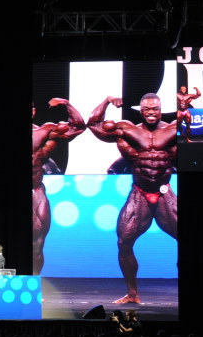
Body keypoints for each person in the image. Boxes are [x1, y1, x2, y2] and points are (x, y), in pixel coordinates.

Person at [88, 93, 177, 304]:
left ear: (160, 109)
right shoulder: (128, 130)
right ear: (141, 111)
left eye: (155, 108)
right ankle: (132, 293)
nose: (151, 112)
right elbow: (93, 125)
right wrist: (107, 101)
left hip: (164, 191)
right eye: (147, 109)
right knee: (124, 243)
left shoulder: (174, 129)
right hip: (140, 193)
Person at [32, 98, 85, 275]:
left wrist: (66, 104)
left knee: (38, 242)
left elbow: (78, 127)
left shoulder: (45, 132)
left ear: (33, 112)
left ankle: (34, 282)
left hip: (36, 189)